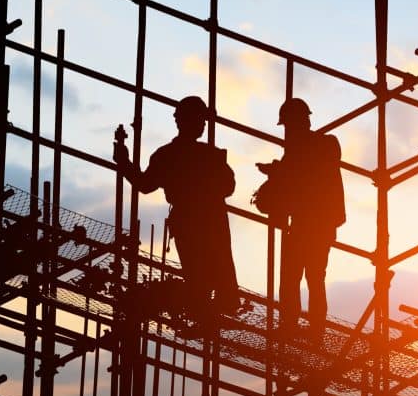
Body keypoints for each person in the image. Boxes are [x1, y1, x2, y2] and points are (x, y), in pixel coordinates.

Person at [113, 95, 239, 317]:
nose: (203, 126)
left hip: (191, 219)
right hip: (209, 218)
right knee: (217, 270)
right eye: (200, 121)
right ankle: (212, 312)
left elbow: (145, 185)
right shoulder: (207, 154)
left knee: (200, 272)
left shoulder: (168, 155)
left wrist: (124, 163)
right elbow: (229, 186)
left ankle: (205, 311)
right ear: (189, 121)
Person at [258, 98, 345, 334]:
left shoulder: (322, 145)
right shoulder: (308, 148)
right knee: (303, 278)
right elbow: (294, 174)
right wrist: (277, 171)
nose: (286, 132)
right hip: (309, 223)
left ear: (298, 123)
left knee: (305, 277)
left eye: (287, 127)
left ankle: (301, 326)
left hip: (314, 224)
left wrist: (277, 171)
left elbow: (304, 173)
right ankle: (301, 326)